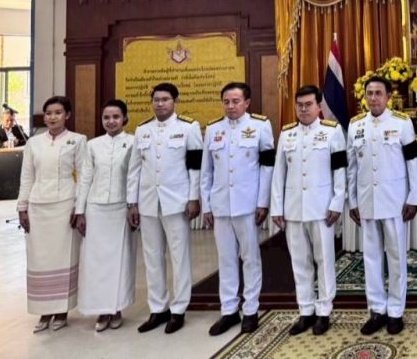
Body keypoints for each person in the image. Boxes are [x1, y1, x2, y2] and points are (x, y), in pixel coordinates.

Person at [126, 82, 204, 335]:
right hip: (148, 202)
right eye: (156, 100)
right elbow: (134, 169)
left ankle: (179, 309)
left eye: (165, 99)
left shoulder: (188, 127)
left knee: (179, 257)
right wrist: (132, 202)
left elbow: (195, 167)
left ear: (175, 101)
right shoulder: (142, 130)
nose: (160, 104)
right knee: (152, 257)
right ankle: (158, 308)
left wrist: (194, 198)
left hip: (176, 202)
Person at [346, 77, 417, 336]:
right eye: (369, 93)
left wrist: (414, 197)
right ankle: (376, 309)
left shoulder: (402, 123)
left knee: (397, 257)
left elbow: (413, 163)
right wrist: (352, 200)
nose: (373, 98)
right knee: (371, 258)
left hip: (394, 201)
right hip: (367, 201)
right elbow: (352, 168)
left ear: (389, 96)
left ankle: (396, 311)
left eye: (379, 93)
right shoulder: (355, 126)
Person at [271, 85, 347, 337]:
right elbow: (278, 174)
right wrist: (277, 207)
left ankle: (324, 311)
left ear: (319, 106)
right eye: (300, 105)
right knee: (299, 262)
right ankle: (305, 310)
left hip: (321, 208)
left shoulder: (332, 132)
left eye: (308, 105)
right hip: (293, 209)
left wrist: (337, 202)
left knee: (324, 261)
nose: (303, 109)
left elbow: (340, 171)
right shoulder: (287, 134)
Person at [201, 82, 275, 336]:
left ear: (247, 102)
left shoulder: (260, 126)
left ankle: (251, 309)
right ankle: (229, 310)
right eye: (226, 102)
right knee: (226, 259)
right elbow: (206, 171)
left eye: (235, 101)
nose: (231, 106)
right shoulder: (213, 129)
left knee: (250, 258)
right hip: (221, 205)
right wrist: (207, 205)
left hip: (247, 204)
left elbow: (267, 168)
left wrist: (263, 202)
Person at [17, 96, 88, 333]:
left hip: (65, 205)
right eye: (48, 113)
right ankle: (44, 311)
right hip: (38, 206)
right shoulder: (34, 143)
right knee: (39, 259)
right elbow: (27, 176)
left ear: (67, 115)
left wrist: (79, 208)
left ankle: (61, 311)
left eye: (58, 113)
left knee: (64, 257)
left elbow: (83, 176)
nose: (52, 117)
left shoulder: (78, 140)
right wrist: (22, 207)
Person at [74, 99, 138, 331]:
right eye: (106, 117)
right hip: (96, 208)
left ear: (125, 119)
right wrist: (80, 211)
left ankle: (116, 308)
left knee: (120, 260)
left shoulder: (133, 142)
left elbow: (135, 176)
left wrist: (133, 205)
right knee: (96, 262)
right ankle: (101, 310)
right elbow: (85, 178)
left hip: (121, 208)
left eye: (116, 117)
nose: (111, 121)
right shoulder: (92, 145)